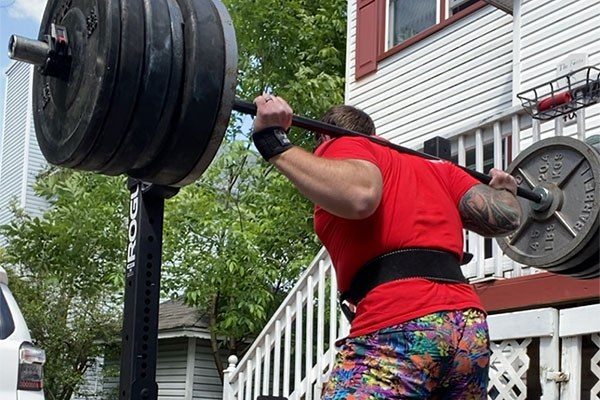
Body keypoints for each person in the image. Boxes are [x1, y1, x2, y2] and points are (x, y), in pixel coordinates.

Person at [251, 93, 522, 399]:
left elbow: (360, 195)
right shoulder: (434, 167)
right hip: (468, 327)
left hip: (403, 320)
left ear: (323, 135)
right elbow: (506, 217)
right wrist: (505, 193)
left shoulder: (344, 143)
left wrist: (273, 143)